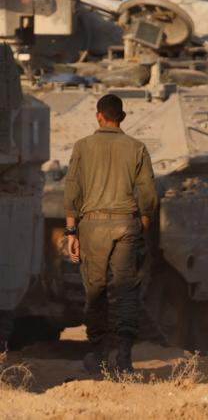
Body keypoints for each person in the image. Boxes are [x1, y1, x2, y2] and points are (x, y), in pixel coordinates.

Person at [64, 93, 157, 374]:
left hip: (92, 228)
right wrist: (143, 225)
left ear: (98, 116)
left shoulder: (82, 146)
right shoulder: (137, 147)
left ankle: (99, 354)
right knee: (127, 290)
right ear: (123, 117)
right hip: (126, 224)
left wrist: (71, 231)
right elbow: (149, 194)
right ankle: (125, 355)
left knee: (95, 291)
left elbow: (72, 191)